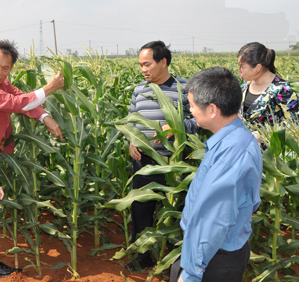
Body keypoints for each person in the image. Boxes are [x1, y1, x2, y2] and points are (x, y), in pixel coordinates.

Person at [0, 39, 64, 277]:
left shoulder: (1, 83)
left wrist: (45, 117)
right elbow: (15, 103)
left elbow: (22, 98)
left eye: (5, 68)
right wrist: (48, 88)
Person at [170, 66, 262, 282]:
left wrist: (192, 273)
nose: (190, 111)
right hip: (215, 253)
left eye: (192, 106)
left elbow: (213, 220)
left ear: (212, 110)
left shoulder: (231, 154)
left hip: (214, 261)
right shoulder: (237, 139)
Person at [127, 40, 199, 270]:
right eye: (140, 65)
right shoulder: (139, 90)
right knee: (140, 209)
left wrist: (177, 127)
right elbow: (130, 120)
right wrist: (131, 140)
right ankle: (142, 255)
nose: (143, 69)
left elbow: (201, 120)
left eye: (147, 64)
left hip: (176, 163)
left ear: (163, 62)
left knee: (177, 209)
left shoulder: (185, 88)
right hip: (144, 162)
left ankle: (175, 258)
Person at [238, 42, 298, 128]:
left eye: (242, 67)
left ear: (258, 67)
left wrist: (266, 134)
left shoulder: (281, 89)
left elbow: (294, 123)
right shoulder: (245, 85)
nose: (239, 70)